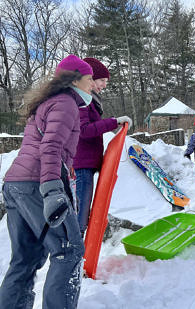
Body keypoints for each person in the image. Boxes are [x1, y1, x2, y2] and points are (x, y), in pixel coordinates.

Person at [0, 54, 94, 308]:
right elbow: (50, 146)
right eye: (89, 79)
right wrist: (53, 189)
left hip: (16, 184)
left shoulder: (51, 102)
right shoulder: (65, 103)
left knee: (26, 259)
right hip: (37, 184)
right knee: (69, 251)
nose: (92, 85)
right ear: (74, 80)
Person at [75, 57, 132, 236]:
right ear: (90, 79)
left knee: (84, 211)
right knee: (81, 214)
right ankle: (75, 255)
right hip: (82, 164)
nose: (104, 85)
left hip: (88, 162)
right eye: (102, 81)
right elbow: (83, 131)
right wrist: (113, 122)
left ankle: (79, 252)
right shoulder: (81, 100)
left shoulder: (91, 100)